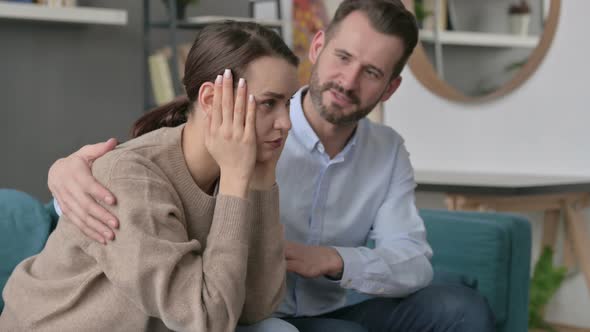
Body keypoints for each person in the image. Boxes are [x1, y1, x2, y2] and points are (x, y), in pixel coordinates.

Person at [45, 1, 496, 331]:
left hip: (323, 300)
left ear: (390, 87)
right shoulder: (239, 129)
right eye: (343, 58)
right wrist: (65, 174)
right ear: (318, 46)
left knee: (462, 307)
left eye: (372, 72)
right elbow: (143, 185)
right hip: (258, 311)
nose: (349, 81)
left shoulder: (385, 150)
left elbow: (413, 260)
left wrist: (335, 260)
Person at [0, 21, 301, 332]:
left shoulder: (230, 171)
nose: (286, 123)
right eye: (269, 103)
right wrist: (237, 181)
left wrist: (262, 178)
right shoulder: (130, 178)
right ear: (212, 100)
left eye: (288, 103)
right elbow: (210, 320)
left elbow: (257, 306)